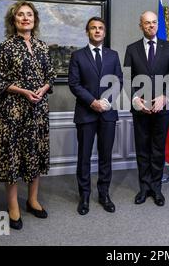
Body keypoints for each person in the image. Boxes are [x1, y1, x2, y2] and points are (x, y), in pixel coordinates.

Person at [0, 1, 56, 230]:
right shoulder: (6, 46)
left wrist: (44, 88)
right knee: (12, 157)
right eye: (21, 15)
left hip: (38, 111)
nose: (25, 18)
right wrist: (23, 91)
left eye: (29, 15)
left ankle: (32, 200)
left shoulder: (42, 46)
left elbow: (51, 75)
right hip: (13, 112)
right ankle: (12, 206)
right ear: (14, 20)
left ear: (35, 20)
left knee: (34, 154)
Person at [124, 11, 169, 206]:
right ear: (141, 26)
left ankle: (156, 189)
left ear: (157, 25)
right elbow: (127, 78)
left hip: (162, 108)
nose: (151, 26)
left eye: (154, 22)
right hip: (140, 108)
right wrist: (135, 99)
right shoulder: (131, 49)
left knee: (157, 149)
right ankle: (144, 188)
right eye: (147, 23)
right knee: (142, 149)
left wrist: (165, 97)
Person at [68, 16, 123, 215]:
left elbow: (118, 82)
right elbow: (74, 84)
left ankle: (104, 194)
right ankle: (84, 196)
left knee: (105, 156)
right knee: (84, 157)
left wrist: (106, 101)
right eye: (93, 28)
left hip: (108, 113)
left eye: (100, 28)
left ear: (104, 32)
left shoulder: (113, 55)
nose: (97, 31)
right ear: (88, 32)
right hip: (86, 113)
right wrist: (93, 102)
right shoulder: (78, 56)